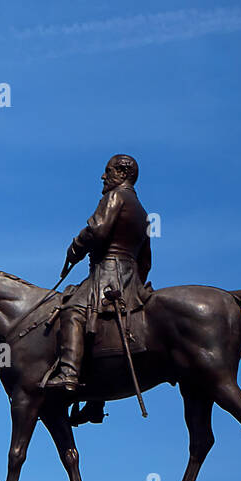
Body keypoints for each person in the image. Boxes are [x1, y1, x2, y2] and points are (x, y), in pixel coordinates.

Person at [49, 154, 153, 394]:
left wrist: (75, 248)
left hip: (107, 274)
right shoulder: (143, 212)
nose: (103, 177)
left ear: (123, 174)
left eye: (108, 171)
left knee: (72, 310)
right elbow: (146, 259)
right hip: (131, 279)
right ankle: (96, 401)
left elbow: (98, 230)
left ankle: (68, 373)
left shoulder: (115, 197)